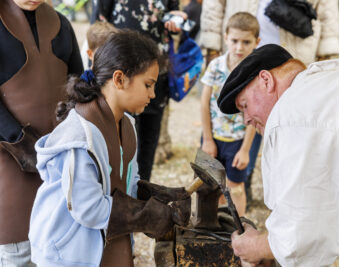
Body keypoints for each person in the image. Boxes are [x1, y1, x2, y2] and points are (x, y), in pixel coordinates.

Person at [217, 44, 339, 266]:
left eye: (245, 105)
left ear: (266, 80)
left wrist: (260, 247)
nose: (246, 119)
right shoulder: (323, 84)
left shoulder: (296, 112)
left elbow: (306, 224)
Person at [29, 30, 191, 267]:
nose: (153, 94)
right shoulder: (80, 136)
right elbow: (89, 208)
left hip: (103, 246)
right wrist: (145, 215)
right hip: (68, 254)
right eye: (148, 84)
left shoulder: (128, 125)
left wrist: (151, 195)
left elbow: (127, 183)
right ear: (119, 79)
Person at [199, 0, 339, 206]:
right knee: (253, 115)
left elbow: (327, 8)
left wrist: (325, 51)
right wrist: (212, 45)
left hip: (293, 50)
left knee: (288, 130)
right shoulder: (219, 64)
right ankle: (244, 187)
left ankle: (289, 194)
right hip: (245, 40)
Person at [0, 0, 83, 265]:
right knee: (17, 251)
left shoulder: (63, 25)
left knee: (59, 246)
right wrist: (18, 140)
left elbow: (79, 86)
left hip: (60, 159)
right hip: (8, 157)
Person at [95, 0, 188, 181]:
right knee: (123, 135)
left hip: (157, 74)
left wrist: (178, 21)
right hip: (124, 77)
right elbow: (99, 23)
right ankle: (120, 190)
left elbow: (174, 15)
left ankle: (142, 191)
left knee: (149, 136)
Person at [200, 12, 258, 216]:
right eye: (234, 41)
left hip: (238, 141)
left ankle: (238, 230)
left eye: (246, 42)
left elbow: (254, 114)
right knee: (210, 187)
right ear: (225, 38)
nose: (239, 47)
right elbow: (204, 103)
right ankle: (214, 231)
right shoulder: (215, 66)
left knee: (235, 188)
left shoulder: (255, 73)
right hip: (213, 137)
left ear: (256, 42)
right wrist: (207, 139)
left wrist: (245, 149)